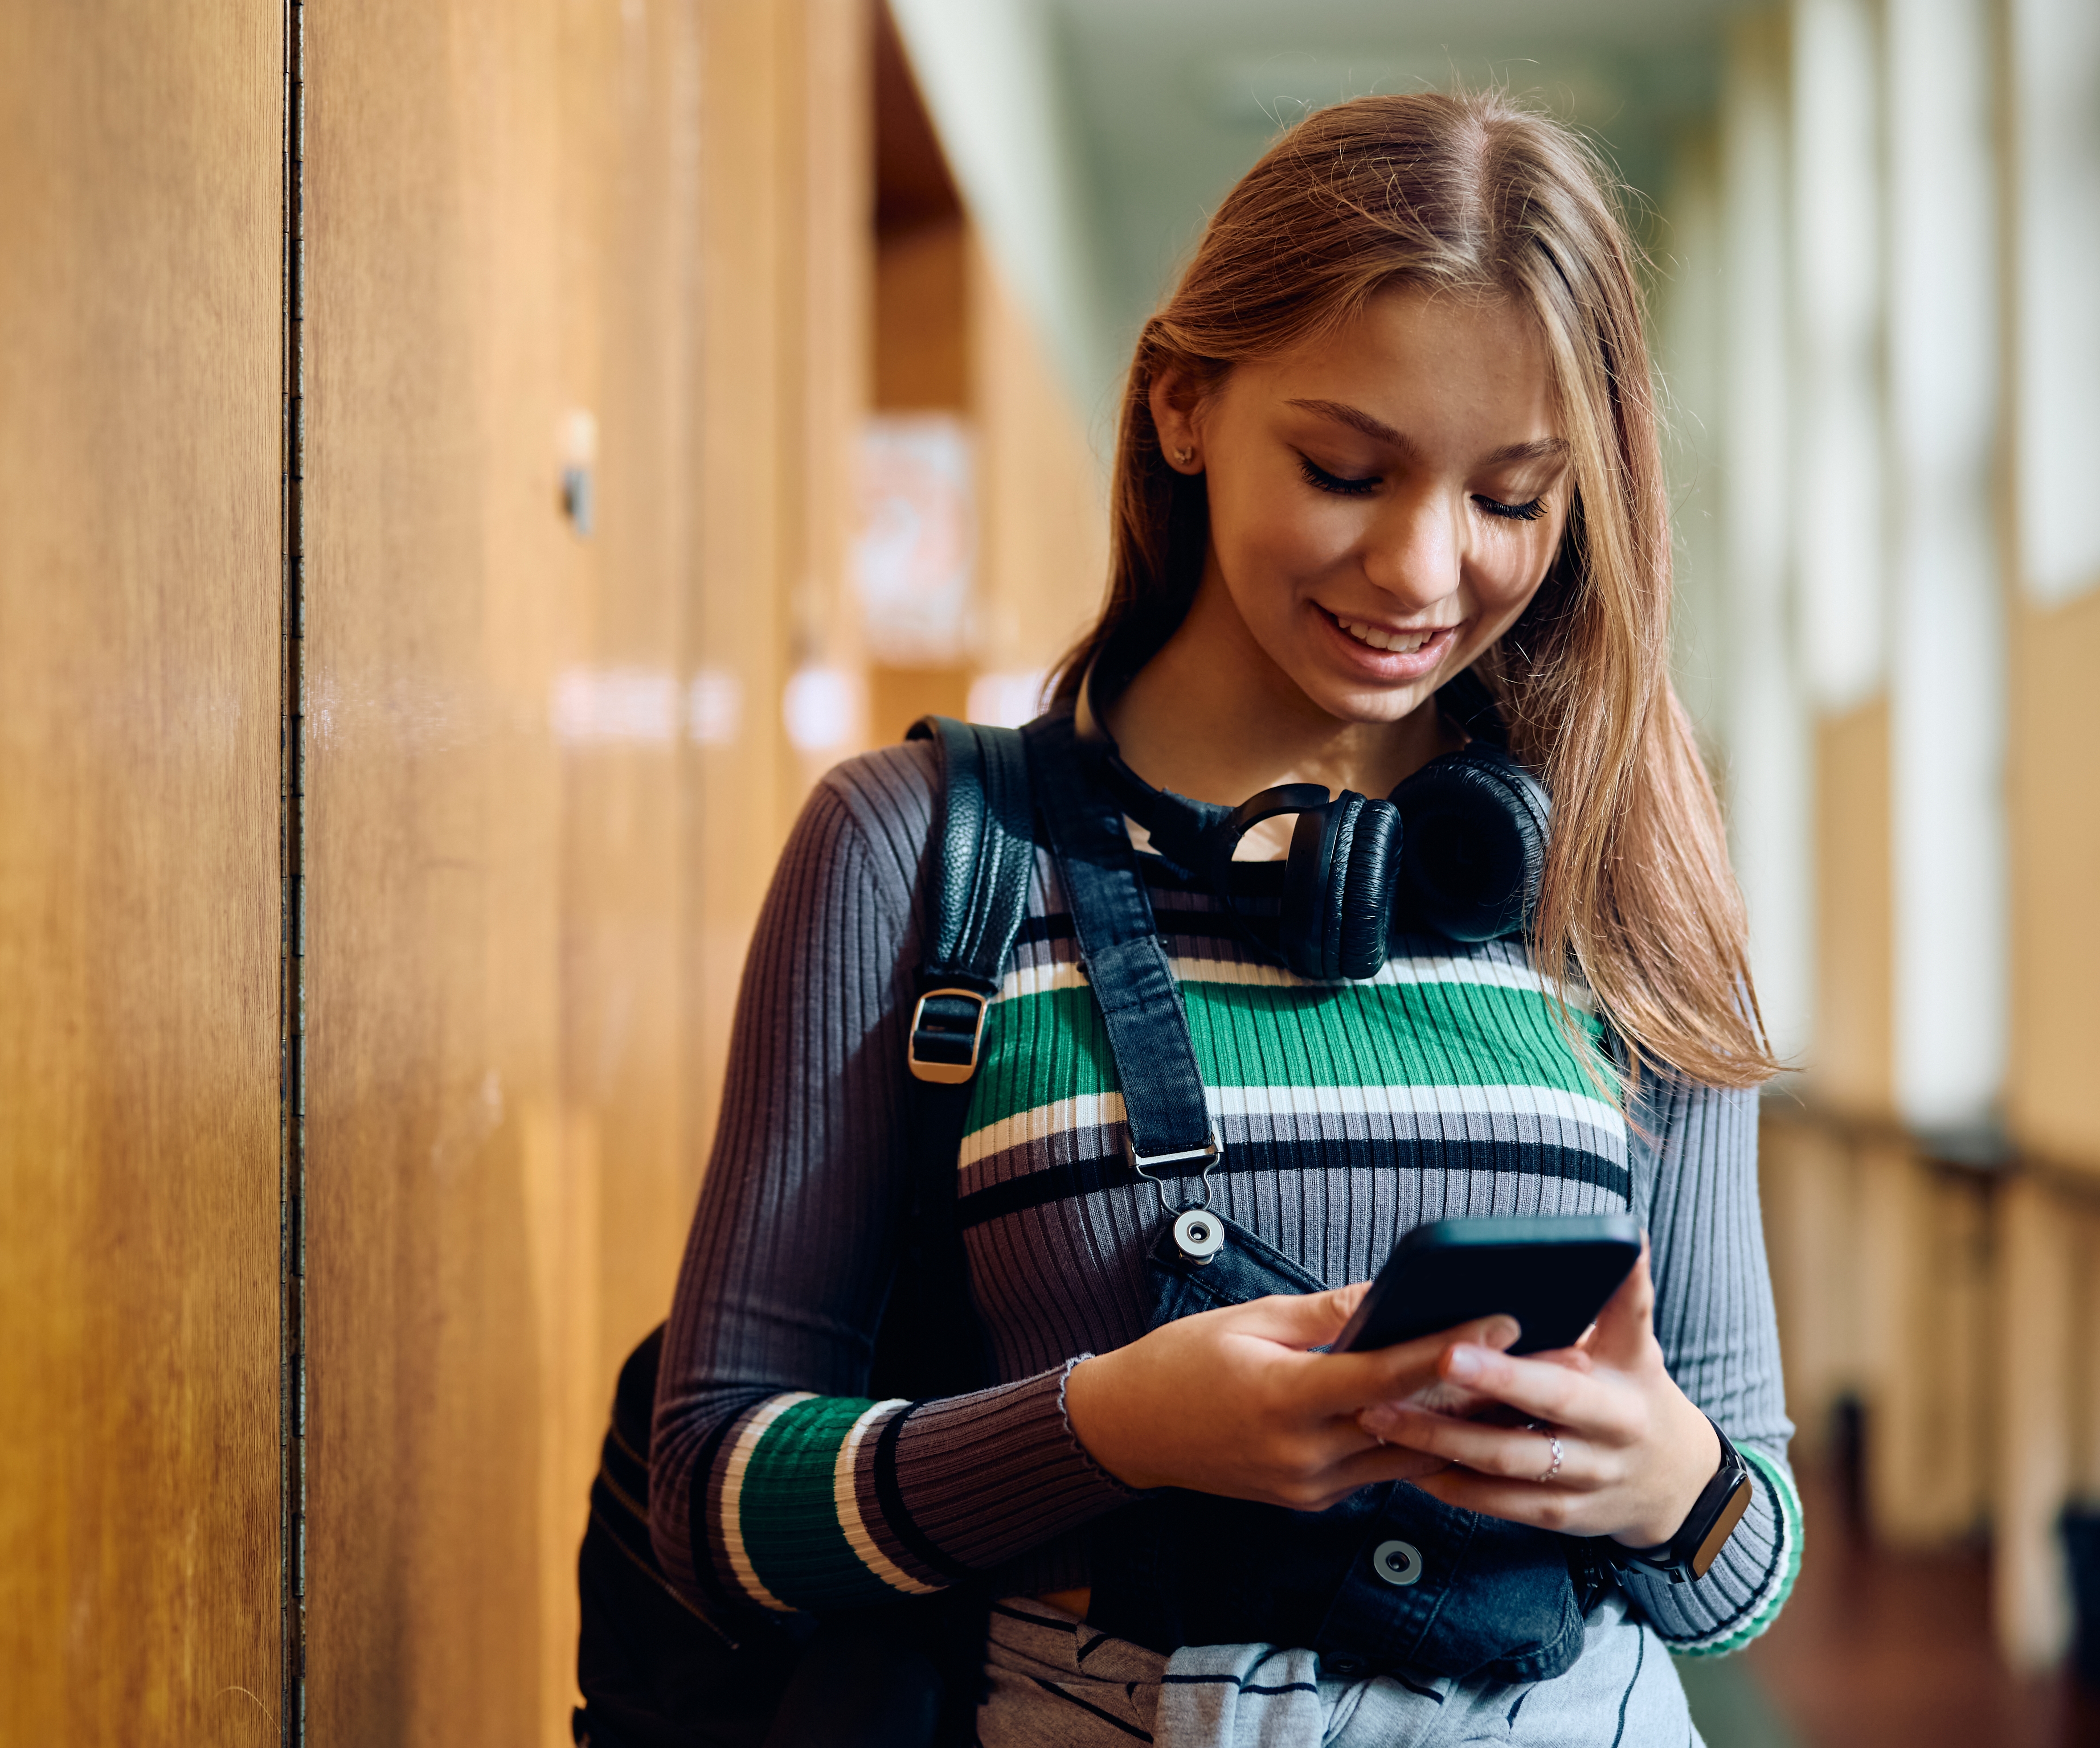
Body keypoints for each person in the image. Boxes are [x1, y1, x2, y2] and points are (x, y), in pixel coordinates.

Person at [649, 90, 1796, 1746]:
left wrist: (1668, 1479)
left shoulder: (1632, 863)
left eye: (1512, 498)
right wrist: (1105, 1428)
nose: (1420, 570)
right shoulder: (914, 849)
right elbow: (710, 1497)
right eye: (1345, 468)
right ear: (1183, 405)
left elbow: (1740, 1567)